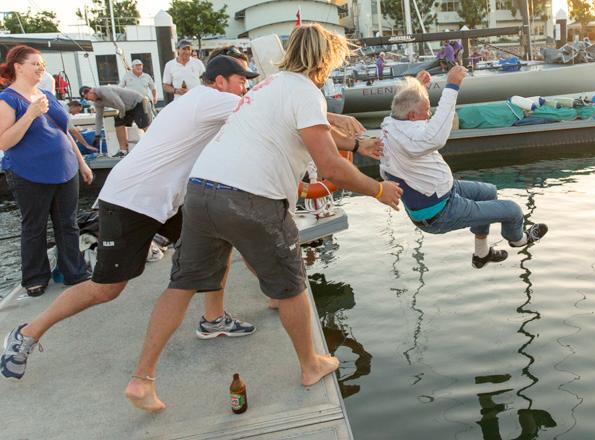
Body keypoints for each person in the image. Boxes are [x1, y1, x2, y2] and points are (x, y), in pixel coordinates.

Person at [124, 23, 402, 413]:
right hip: (250, 198)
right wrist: (378, 190)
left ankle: (142, 379)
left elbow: (310, 133)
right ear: (325, 60)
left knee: (182, 285)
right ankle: (310, 364)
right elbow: (331, 167)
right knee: (291, 284)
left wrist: (357, 143)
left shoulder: (268, 86)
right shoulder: (306, 91)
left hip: (202, 190)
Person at [0, 55, 259, 382]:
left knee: (217, 241)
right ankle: (26, 332)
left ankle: (214, 318)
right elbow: (264, 110)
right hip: (131, 201)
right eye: (241, 80)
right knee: (106, 289)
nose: (244, 87)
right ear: (221, 82)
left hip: (167, 199)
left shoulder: (200, 100)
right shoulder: (213, 99)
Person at [380, 67, 548, 269]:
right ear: (413, 116)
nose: (430, 114)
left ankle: (481, 254)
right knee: (513, 210)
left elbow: (402, 104)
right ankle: (519, 240)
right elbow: (437, 135)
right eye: (426, 112)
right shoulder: (414, 138)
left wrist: (419, 87)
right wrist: (452, 86)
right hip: (439, 213)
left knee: (488, 192)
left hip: (442, 191)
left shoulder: (392, 122)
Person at [0, 45, 93, 299]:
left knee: (68, 223)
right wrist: (29, 115)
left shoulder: (46, 95)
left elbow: (62, 131)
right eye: (35, 64)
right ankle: (35, 278)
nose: (41, 68)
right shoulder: (8, 99)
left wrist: (82, 162)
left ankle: (75, 271)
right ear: (18, 67)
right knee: (34, 227)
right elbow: (4, 141)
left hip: (65, 169)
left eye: (42, 64)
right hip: (29, 173)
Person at [79, 84, 152, 157]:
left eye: (87, 98)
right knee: (118, 124)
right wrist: (97, 135)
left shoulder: (104, 91)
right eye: (86, 100)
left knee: (144, 125)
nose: (89, 100)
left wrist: (122, 116)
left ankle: (154, 144)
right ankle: (124, 151)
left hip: (137, 102)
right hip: (126, 108)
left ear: (91, 91)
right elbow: (98, 118)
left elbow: (120, 105)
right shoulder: (97, 103)